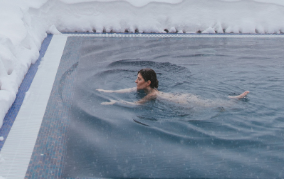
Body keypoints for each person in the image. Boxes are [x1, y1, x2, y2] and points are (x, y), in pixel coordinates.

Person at [96, 68, 249, 106]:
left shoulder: (152, 95)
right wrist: (107, 91)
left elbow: (135, 104)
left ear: (148, 83)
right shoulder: (144, 89)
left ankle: (234, 99)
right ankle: (232, 98)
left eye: (139, 79)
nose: (135, 82)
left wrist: (115, 102)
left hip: (184, 102)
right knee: (211, 103)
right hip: (179, 98)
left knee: (212, 105)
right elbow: (126, 90)